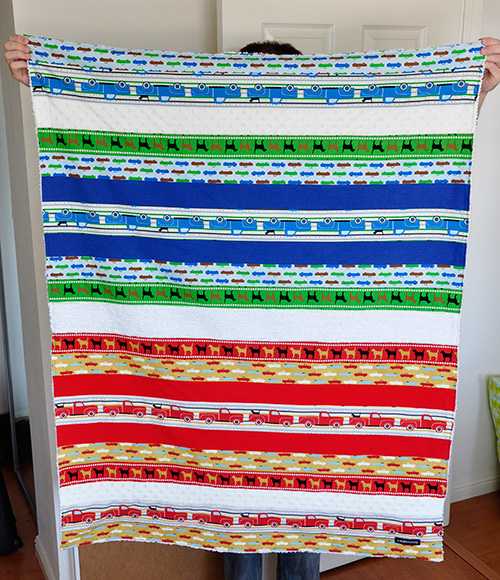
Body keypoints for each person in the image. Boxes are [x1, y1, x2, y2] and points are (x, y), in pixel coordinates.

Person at [3, 31, 500, 580]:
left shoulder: (335, 155)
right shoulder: (210, 160)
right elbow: (124, 138)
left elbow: (422, 141)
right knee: (233, 521)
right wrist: (47, 79)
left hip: (312, 407)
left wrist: (470, 90)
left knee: (306, 525)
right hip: (228, 407)